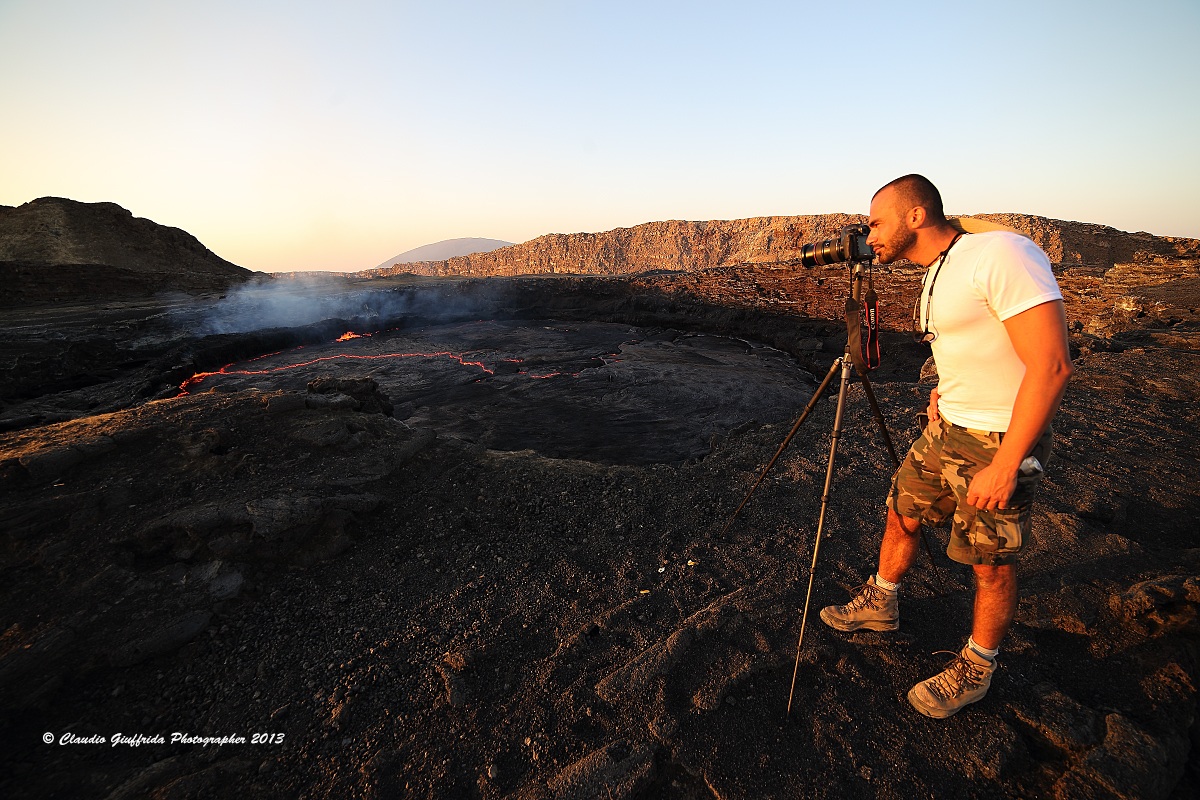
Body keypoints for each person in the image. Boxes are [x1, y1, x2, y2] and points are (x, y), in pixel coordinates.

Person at [819, 174, 1073, 718]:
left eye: (876, 223)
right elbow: (969, 341)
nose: (870, 236)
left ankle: (978, 665)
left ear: (916, 216)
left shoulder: (1000, 254)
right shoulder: (938, 265)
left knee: (990, 562)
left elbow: (1051, 364)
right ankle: (881, 603)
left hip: (999, 438)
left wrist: (1008, 464)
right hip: (947, 428)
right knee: (900, 511)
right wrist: (942, 390)